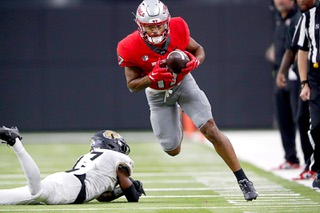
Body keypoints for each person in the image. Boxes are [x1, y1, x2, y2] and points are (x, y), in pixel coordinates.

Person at [116, 0, 258, 201]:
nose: (156, 30)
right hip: (157, 96)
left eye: (159, 25)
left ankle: (243, 180)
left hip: (183, 84)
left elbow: (199, 49)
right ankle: (176, 116)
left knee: (210, 130)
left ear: (166, 22)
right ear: (140, 25)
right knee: (172, 150)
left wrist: (195, 61)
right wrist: (152, 77)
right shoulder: (128, 46)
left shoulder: (177, 27)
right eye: (150, 26)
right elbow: (132, 85)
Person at [0, 126, 145, 205]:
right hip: (72, 187)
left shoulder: (91, 158)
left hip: (67, 182)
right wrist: (132, 185)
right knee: (37, 192)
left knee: (4, 198)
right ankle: (16, 142)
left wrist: (120, 191)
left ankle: (15, 142)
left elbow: (102, 196)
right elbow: (132, 197)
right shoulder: (118, 158)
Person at [275, 0, 317, 179]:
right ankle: (309, 162)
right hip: (308, 77)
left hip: (310, 76)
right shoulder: (305, 18)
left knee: (306, 120)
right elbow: (296, 49)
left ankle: (311, 163)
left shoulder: (303, 17)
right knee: (302, 119)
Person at [267, 0, 302, 170]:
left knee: (301, 118)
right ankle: (291, 158)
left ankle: (311, 161)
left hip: (296, 75)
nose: (280, 0)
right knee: (283, 118)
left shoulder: (299, 17)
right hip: (281, 75)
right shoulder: (278, 18)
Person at [296, 0, 320, 188]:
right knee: (317, 124)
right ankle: (319, 168)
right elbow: (302, 52)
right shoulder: (308, 17)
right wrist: (304, 82)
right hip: (316, 75)